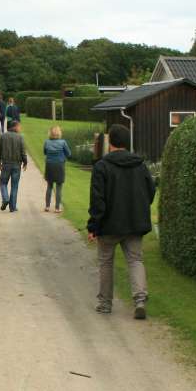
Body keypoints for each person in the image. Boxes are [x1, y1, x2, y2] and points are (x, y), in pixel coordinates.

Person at [86, 124, 155, 319]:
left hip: (109, 225)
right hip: (134, 223)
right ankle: (140, 300)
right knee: (135, 260)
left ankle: (105, 303)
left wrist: (93, 226)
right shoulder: (140, 165)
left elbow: (97, 201)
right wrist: (139, 208)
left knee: (106, 262)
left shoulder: (102, 166)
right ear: (126, 142)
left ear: (111, 142)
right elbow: (150, 191)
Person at [0, 119, 27, 212]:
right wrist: (25, 162)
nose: (20, 128)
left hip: (6, 164)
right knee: (14, 185)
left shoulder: (3, 136)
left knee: (3, 183)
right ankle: (12, 207)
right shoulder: (20, 137)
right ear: (15, 127)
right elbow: (23, 151)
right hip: (17, 164)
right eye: (19, 126)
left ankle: (5, 198)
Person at [42, 125, 72, 213]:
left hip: (49, 165)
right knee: (59, 187)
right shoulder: (63, 142)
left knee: (49, 186)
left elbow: (45, 152)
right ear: (59, 133)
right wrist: (64, 158)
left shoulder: (47, 142)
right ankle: (57, 208)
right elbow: (69, 153)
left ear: (50, 133)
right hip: (59, 165)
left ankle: (47, 206)